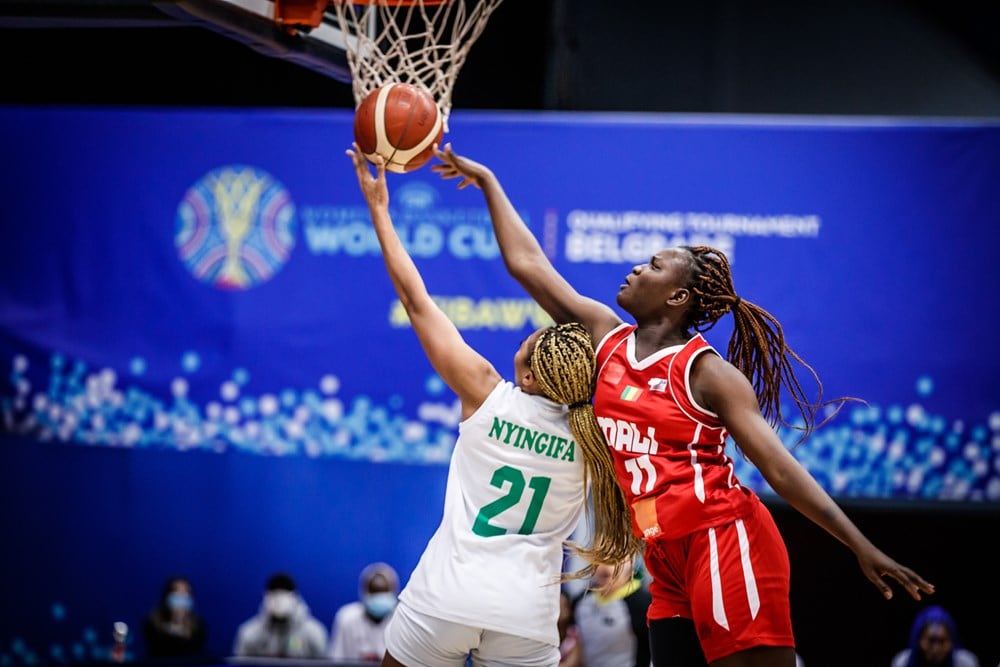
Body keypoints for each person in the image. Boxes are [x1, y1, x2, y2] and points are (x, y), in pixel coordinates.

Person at [431, 143, 937, 667]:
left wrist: (858, 544)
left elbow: (781, 470)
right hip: (664, 551)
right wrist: (490, 183)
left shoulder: (707, 373)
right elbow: (527, 264)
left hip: (722, 536)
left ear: (677, 299)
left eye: (652, 266)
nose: (635, 268)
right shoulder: (606, 337)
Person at [347, 145, 640, 667]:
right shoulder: (595, 436)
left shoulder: (485, 391)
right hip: (527, 618)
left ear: (527, 374)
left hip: (447, 598)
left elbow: (417, 302)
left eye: (525, 346)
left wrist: (379, 211)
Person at [573, 559, 652, 667]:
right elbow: (577, 650)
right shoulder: (581, 601)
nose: (605, 566)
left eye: (614, 559)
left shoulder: (643, 604)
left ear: (631, 563)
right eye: (600, 557)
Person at [232, 571, 328, 658]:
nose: (279, 600)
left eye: (284, 595)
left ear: (295, 597)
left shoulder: (314, 632)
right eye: (274, 595)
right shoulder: (249, 633)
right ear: (266, 597)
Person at [328, 562, 400, 663]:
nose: (378, 599)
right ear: (364, 592)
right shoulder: (346, 618)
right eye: (375, 592)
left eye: (383, 593)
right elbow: (336, 659)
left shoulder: (401, 620)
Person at [142, 575, 208, 661]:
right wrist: (174, 621)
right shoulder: (152, 624)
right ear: (167, 596)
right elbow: (159, 650)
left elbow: (194, 651)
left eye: (185, 592)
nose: (182, 596)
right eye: (177, 591)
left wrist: (181, 622)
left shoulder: (199, 626)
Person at [890, 605, 980, 667]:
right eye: (931, 640)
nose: (936, 648)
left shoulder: (965, 663)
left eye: (942, 641)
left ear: (951, 641)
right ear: (919, 640)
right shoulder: (903, 662)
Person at [558, 589, 582, 667]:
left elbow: (573, 663)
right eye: (558, 606)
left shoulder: (574, 633)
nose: (561, 610)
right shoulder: (543, 632)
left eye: (564, 606)